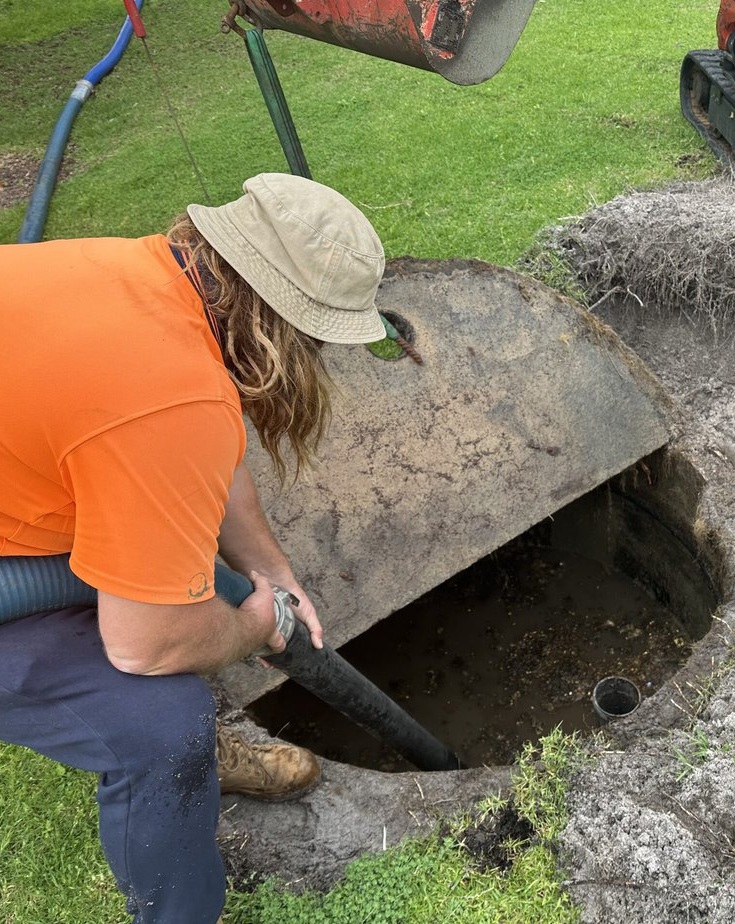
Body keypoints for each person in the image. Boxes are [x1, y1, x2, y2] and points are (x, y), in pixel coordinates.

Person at [0, 173, 388, 923]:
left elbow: (209, 449)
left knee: (153, 579)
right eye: (316, 339)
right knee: (162, 721)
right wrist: (251, 625)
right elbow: (145, 644)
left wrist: (267, 571)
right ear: (282, 325)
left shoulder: (141, 275)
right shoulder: (170, 396)